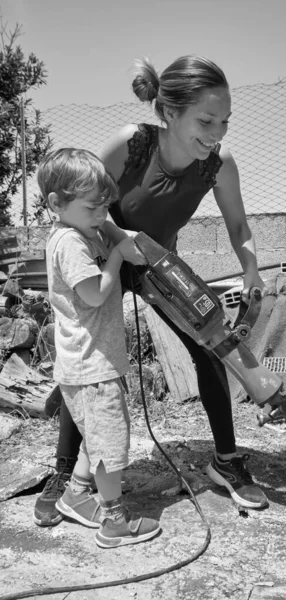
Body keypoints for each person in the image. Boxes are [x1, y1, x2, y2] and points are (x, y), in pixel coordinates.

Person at [34, 55, 269, 528]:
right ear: (169, 112)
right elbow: (83, 201)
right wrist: (123, 246)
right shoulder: (133, 145)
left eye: (224, 121)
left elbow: (239, 223)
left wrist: (250, 268)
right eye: (205, 120)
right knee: (89, 361)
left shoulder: (218, 165)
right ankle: (66, 476)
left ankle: (224, 459)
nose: (217, 132)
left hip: (158, 265)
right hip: (105, 256)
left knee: (209, 347)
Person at [35, 148, 161, 548]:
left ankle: (75, 495)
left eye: (106, 205)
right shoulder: (69, 243)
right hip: (90, 365)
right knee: (109, 446)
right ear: (57, 204)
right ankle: (114, 522)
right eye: (93, 206)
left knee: (98, 436)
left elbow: (123, 240)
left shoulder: (91, 228)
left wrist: (116, 236)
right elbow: (92, 295)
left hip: (97, 360)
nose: (102, 214)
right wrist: (116, 259)